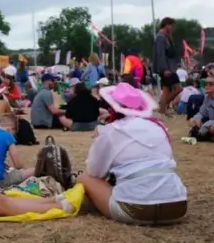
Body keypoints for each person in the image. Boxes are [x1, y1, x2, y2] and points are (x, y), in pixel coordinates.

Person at [76, 83, 188, 225]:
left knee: (84, 178)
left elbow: (94, 172)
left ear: (112, 108)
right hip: (177, 206)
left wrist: (99, 137)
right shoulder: (158, 128)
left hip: (135, 209)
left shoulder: (111, 131)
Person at [152, 18, 182, 117]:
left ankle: (162, 108)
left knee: (170, 89)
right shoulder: (160, 37)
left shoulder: (165, 37)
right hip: (166, 68)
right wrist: (164, 69)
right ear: (166, 25)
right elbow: (160, 54)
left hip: (169, 68)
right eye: (171, 25)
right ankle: (162, 109)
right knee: (170, 89)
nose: (172, 28)